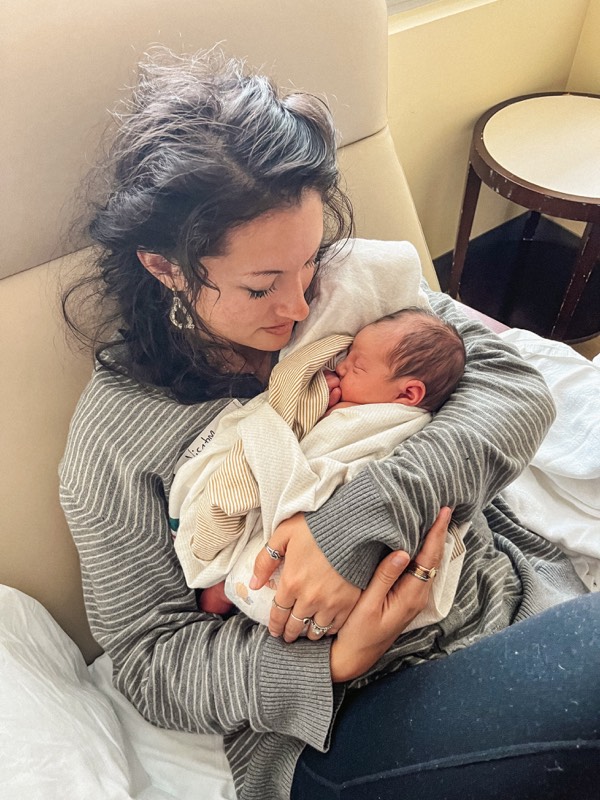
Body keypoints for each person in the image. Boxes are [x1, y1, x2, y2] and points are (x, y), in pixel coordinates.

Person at [59, 49, 599, 800]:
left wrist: (353, 522)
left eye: (308, 262)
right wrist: (334, 659)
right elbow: (149, 657)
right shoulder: (116, 438)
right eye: (259, 286)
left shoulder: (354, 292)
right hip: (343, 719)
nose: (300, 308)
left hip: (501, 606)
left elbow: (514, 387)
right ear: (166, 268)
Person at [172, 306, 466, 622]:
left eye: (357, 367)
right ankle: (226, 589)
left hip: (313, 555)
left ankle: (224, 588)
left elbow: (320, 461)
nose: (341, 367)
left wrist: (291, 422)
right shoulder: (367, 405)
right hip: (315, 589)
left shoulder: (386, 425)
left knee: (240, 550)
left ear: (408, 393)